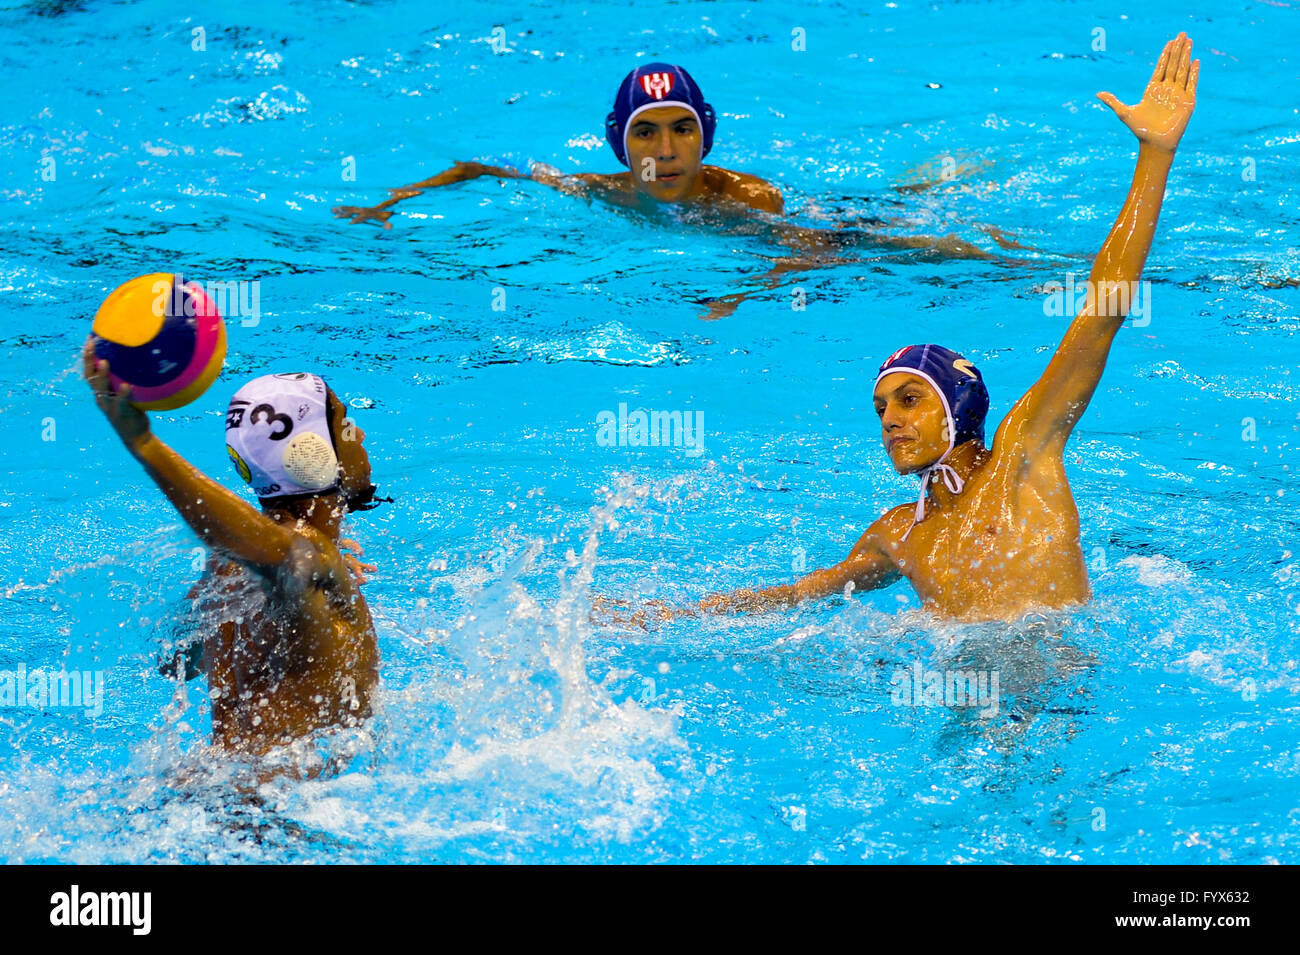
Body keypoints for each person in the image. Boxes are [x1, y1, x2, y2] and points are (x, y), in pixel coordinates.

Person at [620, 32, 1199, 623]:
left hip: (1061, 701)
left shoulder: (1025, 457)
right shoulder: (900, 534)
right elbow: (797, 596)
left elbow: (1103, 311)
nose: (890, 418)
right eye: (880, 408)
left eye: (909, 399)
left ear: (958, 406)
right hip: (965, 702)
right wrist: (666, 615)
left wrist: (1155, 155)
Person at [83, 347, 387, 754]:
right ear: (312, 449)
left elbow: (176, 660)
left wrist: (311, 582)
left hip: (215, 790)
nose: (359, 434)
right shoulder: (303, 555)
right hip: (280, 807)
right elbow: (288, 556)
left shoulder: (229, 565)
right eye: (344, 422)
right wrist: (144, 444)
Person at [333, 62, 782, 226]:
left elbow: (816, 251)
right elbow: (482, 167)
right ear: (620, 145)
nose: (666, 151)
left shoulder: (751, 200)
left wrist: (741, 295)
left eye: (683, 129)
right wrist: (395, 199)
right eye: (645, 132)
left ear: (705, 136)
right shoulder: (607, 191)